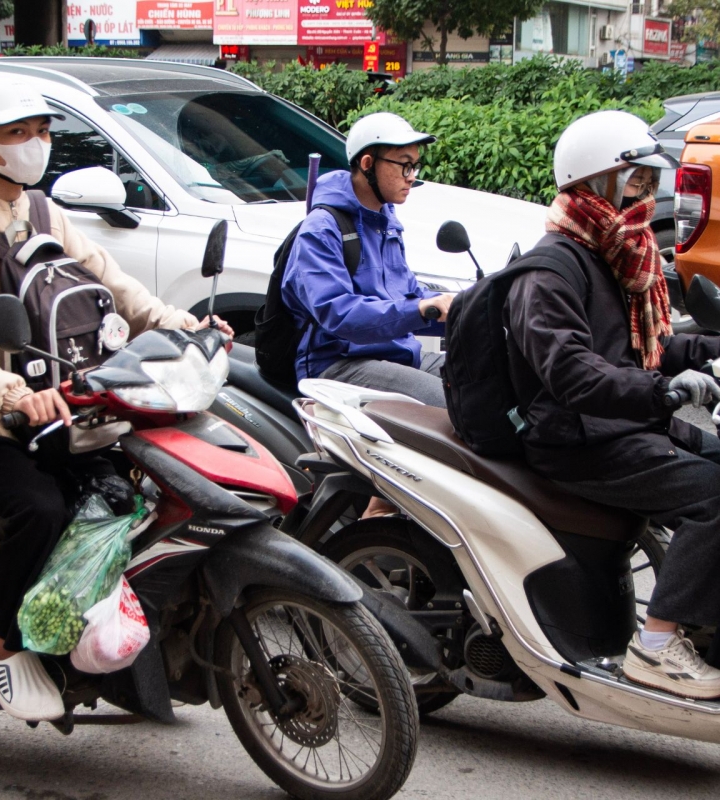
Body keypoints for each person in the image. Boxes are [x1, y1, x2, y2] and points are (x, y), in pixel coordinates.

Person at [0, 79, 231, 721]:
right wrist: (10, 393)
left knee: (134, 492)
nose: (35, 144)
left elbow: (115, 286)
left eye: (42, 131)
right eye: (17, 133)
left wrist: (182, 326)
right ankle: (5, 649)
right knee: (41, 507)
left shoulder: (43, 213)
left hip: (67, 406)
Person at [502, 109, 720, 699]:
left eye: (649, 184)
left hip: (620, 424)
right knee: (713, 496)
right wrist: (661, 391)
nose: (644, 198)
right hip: (578, 439)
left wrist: (710, 353)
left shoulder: (612, 254)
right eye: (634, 183)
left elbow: (649, 347)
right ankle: (656, 648)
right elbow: (572, 373)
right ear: (594, 183)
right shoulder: (550, 271)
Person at [281, 112, 453, 407]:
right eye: (404, 165)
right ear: (367, 164)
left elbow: (409, 294)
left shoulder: (386, 222)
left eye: (415, 165)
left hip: (397, 353)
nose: (412, 176)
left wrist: (465, 308)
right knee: (453, 404)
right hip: (339, 363)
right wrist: (421, 310)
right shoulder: (322, 228)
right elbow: (339, 314)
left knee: (488, 378)